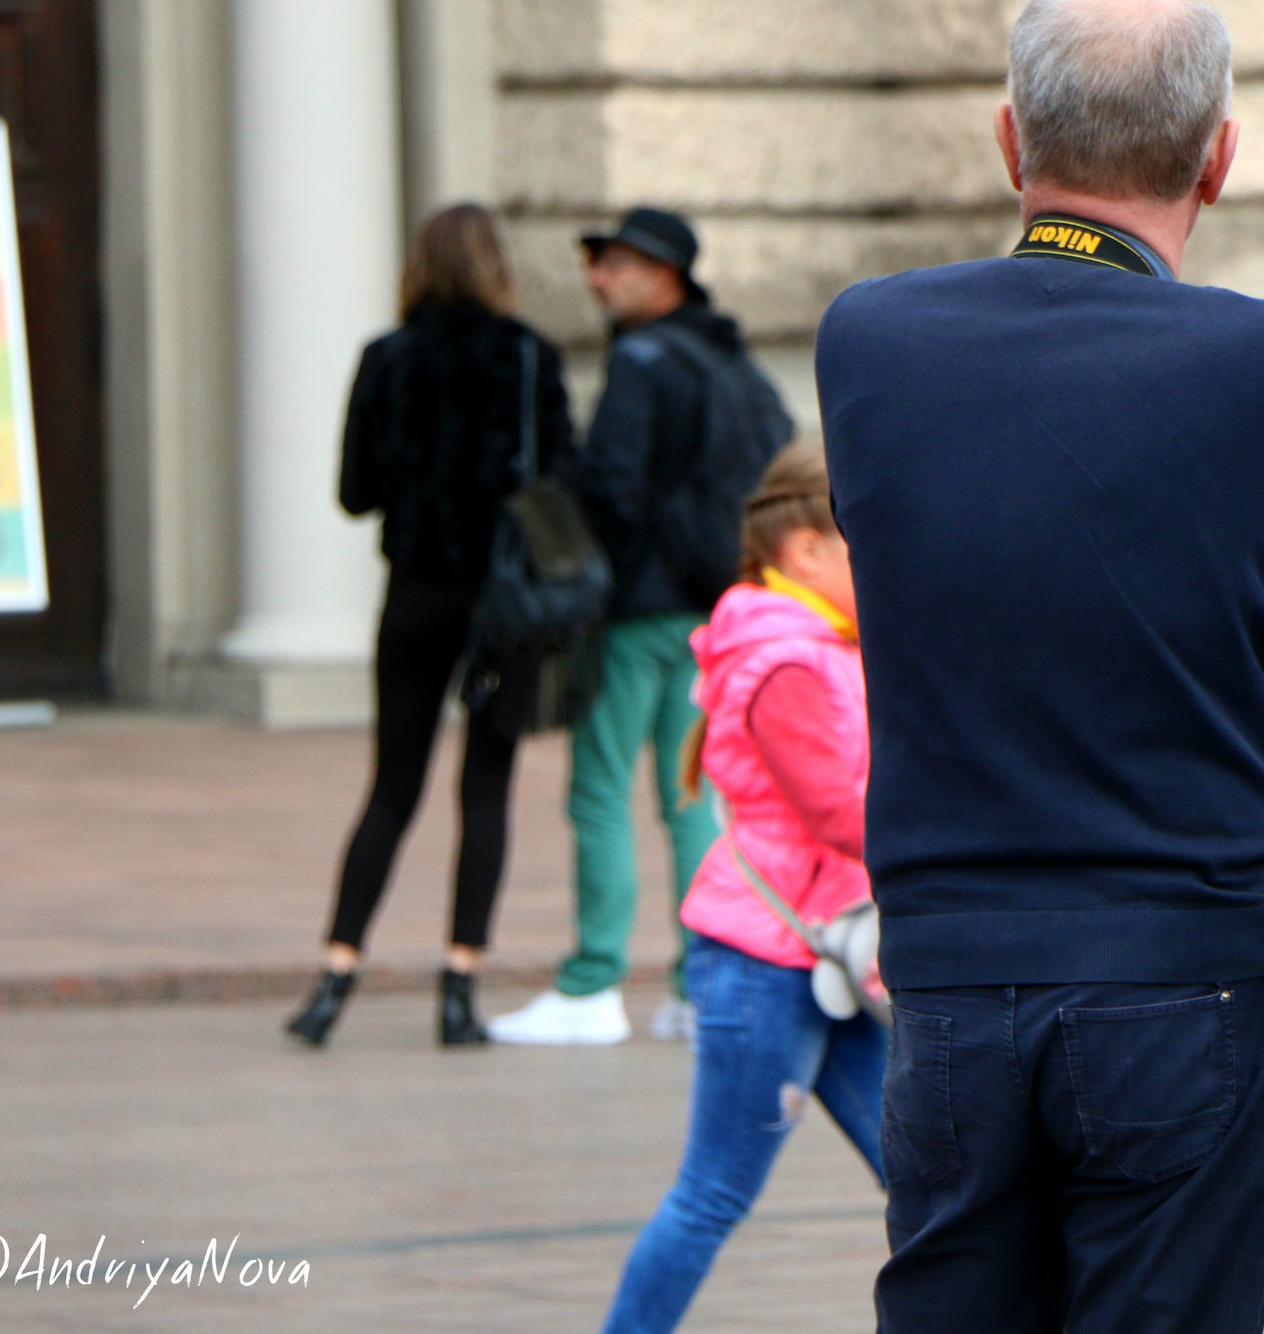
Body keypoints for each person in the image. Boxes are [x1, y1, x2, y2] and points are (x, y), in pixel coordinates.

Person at [815, 0, 1264, 1334]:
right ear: (1220, 153)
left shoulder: (870, 337)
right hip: (1189, 962)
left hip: (956, 966)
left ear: (1010, 140)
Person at [491, 207, 795, 1047]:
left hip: (637, 614)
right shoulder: (730, 359)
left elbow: (613, 488)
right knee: (688, 794)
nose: (598, 278)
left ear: (666, 273)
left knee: (596, 790)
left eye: (616, 263)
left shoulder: (642, 357)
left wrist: (595, 577)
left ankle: (592, 981)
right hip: (711, 608)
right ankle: (699, 985)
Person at [600, 440, 886, 1333]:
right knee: (714, 1192)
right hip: (767, 960)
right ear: (803, 548)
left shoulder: (822, 640)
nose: (881, 560)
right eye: (861, 541)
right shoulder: (785, 657)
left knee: (931, 1177)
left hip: (831, 949)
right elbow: (841, 812)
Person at [288, 203, 573, 1049]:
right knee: (484, 789)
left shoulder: (386, 358)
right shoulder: (528, 357)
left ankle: (337, 972)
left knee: (392, 786)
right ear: (495, 267)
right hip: (506, 603)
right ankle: (459, 983)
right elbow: (562, 475)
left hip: (415, 595)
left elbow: (355, 489)